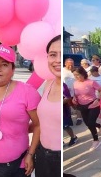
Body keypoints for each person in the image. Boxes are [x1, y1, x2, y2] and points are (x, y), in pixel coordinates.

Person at [0, 44, 40, 176]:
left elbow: (39, 124)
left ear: (13, 69)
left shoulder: (27, 92)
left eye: (4, 65)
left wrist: (31, 153)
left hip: (18, 163)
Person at [34, 36, 61, 176]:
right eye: (52, 55)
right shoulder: (48, 83)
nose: (57, 60)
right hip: (42, 155)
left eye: (62, 54)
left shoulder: (67, 86)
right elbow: (41, 122)